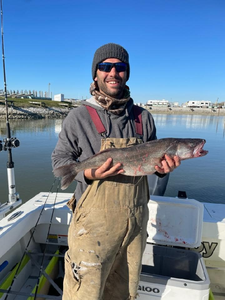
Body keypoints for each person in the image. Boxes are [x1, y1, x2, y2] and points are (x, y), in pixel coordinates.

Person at [52, 43, 180, 300]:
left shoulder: (144, 118)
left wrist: (163, 170)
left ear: (127, 73)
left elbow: (152, 165)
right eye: (105, 67)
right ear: (95, 73)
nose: (113, 72)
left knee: (124, 293)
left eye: (120, 67)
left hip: (134, 227)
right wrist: (88, 174)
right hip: (93, 228)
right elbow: (60, 161)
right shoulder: (78, 117)